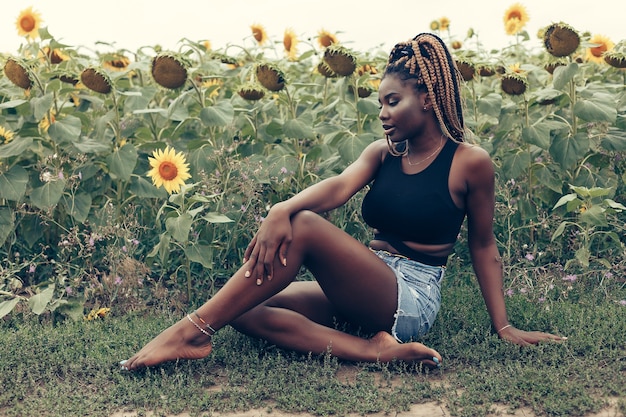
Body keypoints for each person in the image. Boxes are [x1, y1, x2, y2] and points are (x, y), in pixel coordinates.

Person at [120, 32, 565, 372]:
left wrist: (503, 327)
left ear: (428, 99)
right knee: (243, 306)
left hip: (410, 298)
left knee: (306, 226)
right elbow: (336, 187)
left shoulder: (469, 163)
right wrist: (280, 208)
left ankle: (189, 331)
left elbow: (483, 246)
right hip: (368, 283)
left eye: (393, 101)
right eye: (380, 104)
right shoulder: (383, 153)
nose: (383, 113)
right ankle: (372, 350)